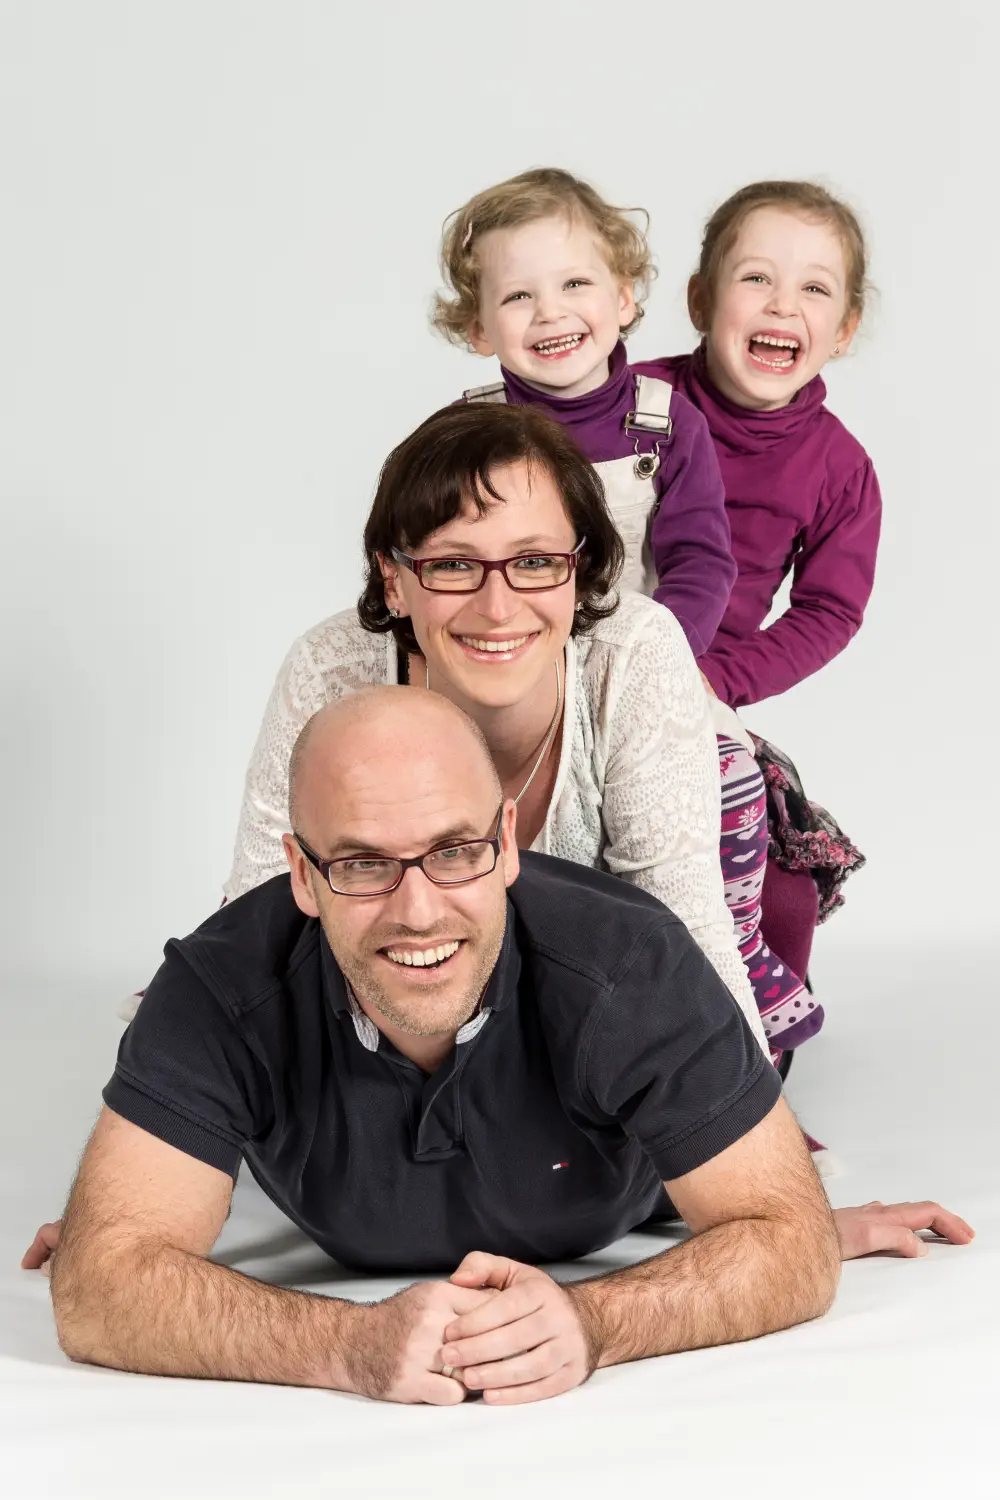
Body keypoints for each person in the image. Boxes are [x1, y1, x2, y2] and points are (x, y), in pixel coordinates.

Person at [36, 690, 968, 1405]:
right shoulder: (219, 984)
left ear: (509, 842)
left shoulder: (630, 963)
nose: (418, 911)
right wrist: (345, 1344)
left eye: (455, 851)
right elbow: (97, 1290)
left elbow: (787, 1242)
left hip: (631, 1189)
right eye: (362, 863)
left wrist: (608, 1314)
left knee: (775, 1195)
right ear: (303, 878)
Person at [432, 167, 811, 1070]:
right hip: (505, 669)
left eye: (575, 283)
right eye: (517, 296)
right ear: (479, 327)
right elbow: (433, 560)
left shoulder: (666, 424)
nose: (551, 312)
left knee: (726, 784)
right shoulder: (462, 435)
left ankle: (730, 986)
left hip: (645, 667)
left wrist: (653, 660)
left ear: (626, 298)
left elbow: (701, 563)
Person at [634, 179, 882, 988]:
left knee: (777, 889)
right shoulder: (636, 404)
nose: (782, 304)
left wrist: (720, 678)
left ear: (844, 329)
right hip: (571, 662)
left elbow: (829, 610)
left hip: (695, 691)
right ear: (700, 301)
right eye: (755, 278)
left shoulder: (839, 466)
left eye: (814, 289)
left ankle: (756, 1015)